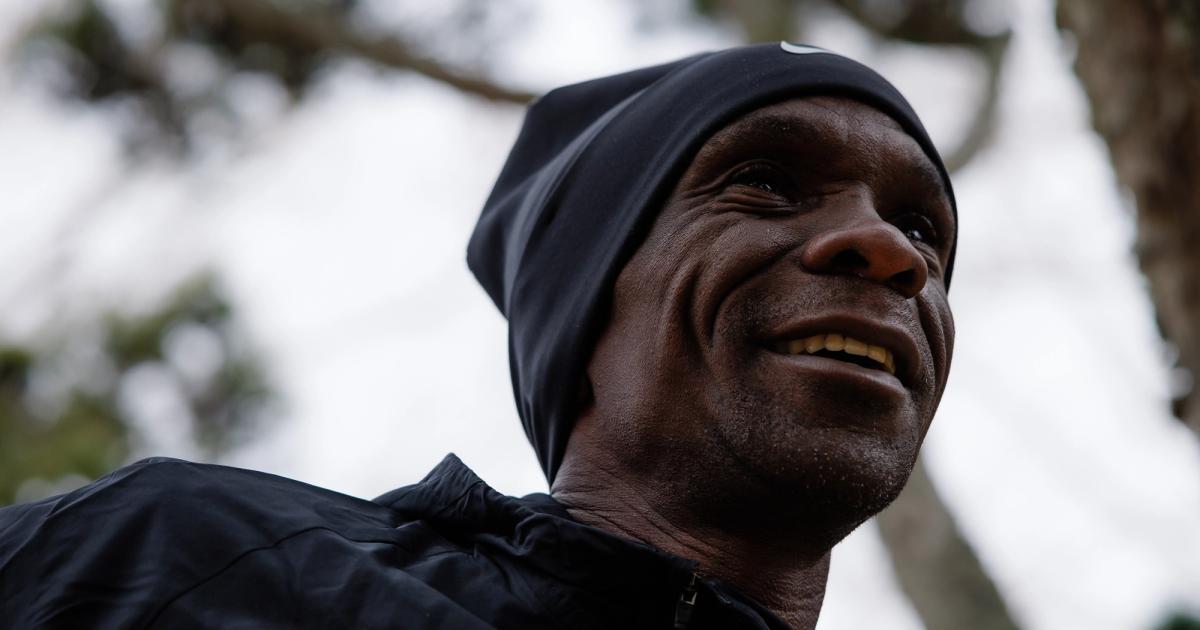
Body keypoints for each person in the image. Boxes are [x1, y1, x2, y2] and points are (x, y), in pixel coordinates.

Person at [0, 42, 955, 630]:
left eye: (922, 229)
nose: (887, 250)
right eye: (765, 182)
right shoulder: (172, 561)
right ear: (587, 307)